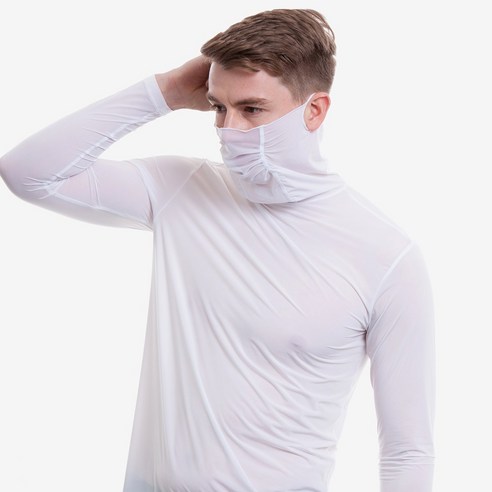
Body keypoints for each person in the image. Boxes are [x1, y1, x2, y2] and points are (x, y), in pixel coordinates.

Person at [0, 8, 435, 492]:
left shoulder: (386, 256)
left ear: (314, 110)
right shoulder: (182, 189)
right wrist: (165, 92)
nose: (230, 130)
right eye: (218, 108)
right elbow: (27, 173)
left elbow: (408, 449)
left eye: (252, 109)